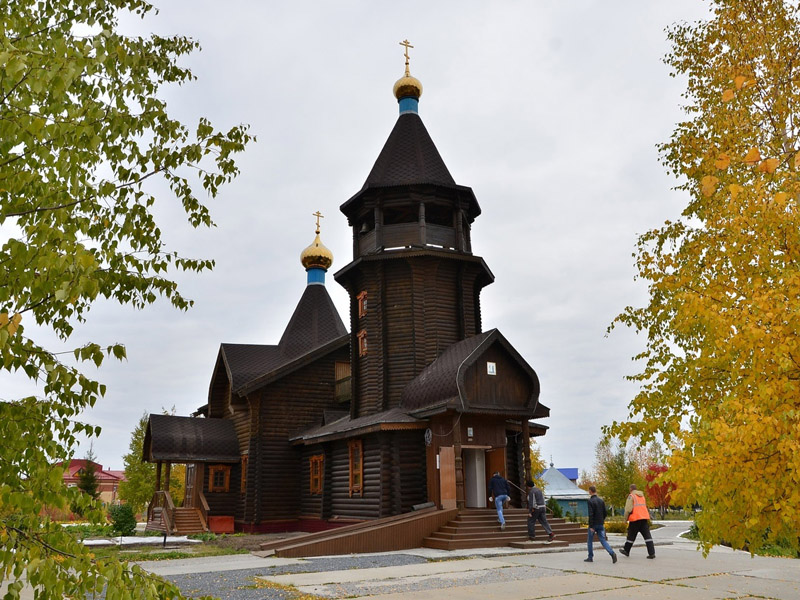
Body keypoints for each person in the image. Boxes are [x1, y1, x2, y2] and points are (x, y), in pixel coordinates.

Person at [620, 483, 655, 559]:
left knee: (631, 536)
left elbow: (628, 509)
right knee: (647, 536)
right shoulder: (642, 496)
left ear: (631, 489)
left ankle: (626, 550)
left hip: (635, 519)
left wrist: (625, 519)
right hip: (643, 518)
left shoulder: (631, 496)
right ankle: (652, 553)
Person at [585, 485, 617, 563]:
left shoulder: (590, 501)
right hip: (600, 523)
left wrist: (591, 526)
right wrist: (602, 520)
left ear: (590, 491)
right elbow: (605, 513)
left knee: (589, 541)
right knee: (603, 540)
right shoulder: (601, 501)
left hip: (593, 524)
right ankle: (612, 553)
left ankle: (590, 557)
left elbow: (591, 514)